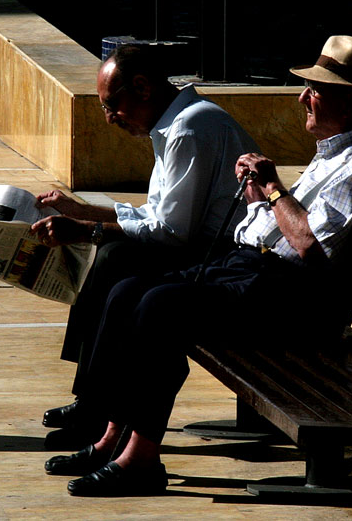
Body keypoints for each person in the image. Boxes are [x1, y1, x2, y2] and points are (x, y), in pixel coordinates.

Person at [44, 35, 352, 497]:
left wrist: (274, 191)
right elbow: (278, 228)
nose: (302, 98)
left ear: (351, 102)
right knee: (126, 291)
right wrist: (261, 201)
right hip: (256, 272)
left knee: (160, 306)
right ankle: (111, 436)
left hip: (298, 301)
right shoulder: (336, 153)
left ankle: (140, 457)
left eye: (314, 90)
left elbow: (311, 252)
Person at [29, 44, 258, 449]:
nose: (109, 118)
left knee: (114, 259)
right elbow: (155, 214)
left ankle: (95, 406)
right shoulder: (174, 125)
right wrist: (86, 213)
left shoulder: (189, 129)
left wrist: (88, 229)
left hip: (219, 257)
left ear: (142, 87)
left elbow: (172, 233)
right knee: (109, 255)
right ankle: (92, 400)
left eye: (111, 105)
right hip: (200, 247)